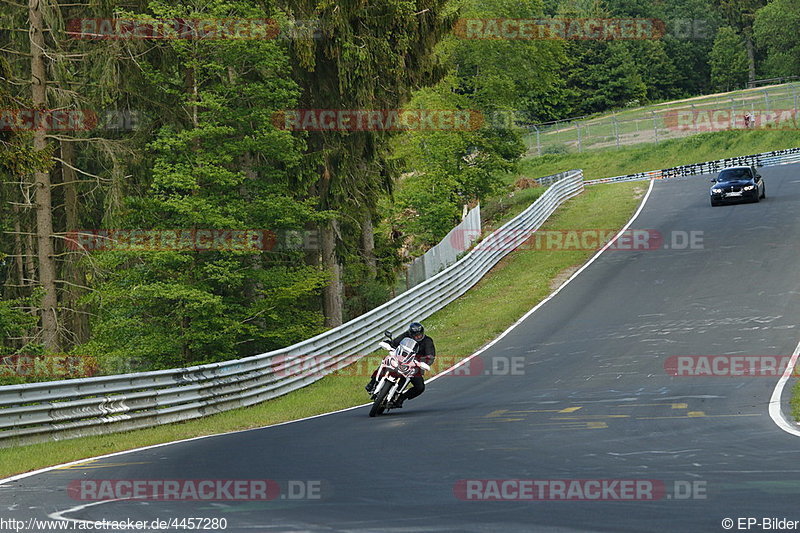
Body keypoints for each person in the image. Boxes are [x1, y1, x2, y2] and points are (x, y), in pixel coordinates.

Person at [365, 322, 435, 407]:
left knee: (420, 387)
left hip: (414, 366)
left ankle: (401, 398)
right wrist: (388, 343)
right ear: (411, 334)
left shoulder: (427, 341)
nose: (418, 337)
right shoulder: (406, 336)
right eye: (416, 335)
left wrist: (423, 362)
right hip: (399, 360)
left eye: (419, 335)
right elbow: (395, 342)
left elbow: (430, 356)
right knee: (386, 362)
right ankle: (372, 383)